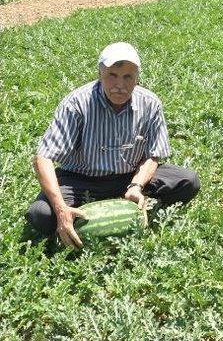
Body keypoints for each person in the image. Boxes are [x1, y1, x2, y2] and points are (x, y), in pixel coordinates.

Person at [27, 42, 200, 248]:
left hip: (128, 177)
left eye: (128, 77)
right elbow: (43, 158)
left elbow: (153, 155)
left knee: (188, 181)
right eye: (112, 75)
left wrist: (137, 185)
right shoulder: (76, 104)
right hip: (80, 181)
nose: (120, 84)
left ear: (137, 78)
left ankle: (134, 205)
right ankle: (79, 215)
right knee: (41, 215)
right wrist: (60, 208)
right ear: (100, 74)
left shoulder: (150, 104)